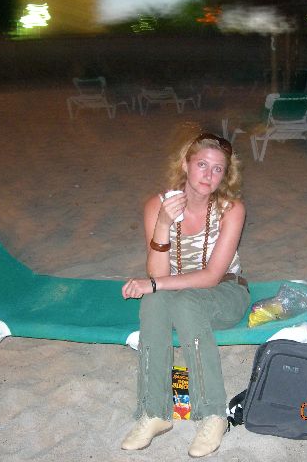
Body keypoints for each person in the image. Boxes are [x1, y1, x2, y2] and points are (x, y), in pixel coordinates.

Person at [121, 132, 250, 457]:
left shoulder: (231, 210)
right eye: (202, 164)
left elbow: (211, 276)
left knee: (179, 300)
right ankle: (154, 411)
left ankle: (213, 414)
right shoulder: (157, 206)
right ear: (185, 164)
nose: (209, 175)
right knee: (154, 301)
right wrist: (163, 224)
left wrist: (154, 285)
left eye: (218, 169)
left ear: (225, 175)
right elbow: (158, 273)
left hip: (226, 292)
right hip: (177, 293)